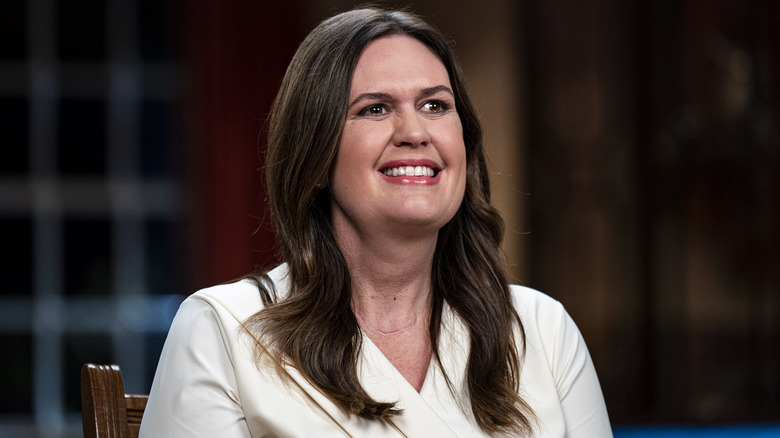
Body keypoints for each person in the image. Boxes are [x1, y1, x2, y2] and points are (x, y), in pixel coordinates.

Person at [139, 7, 612, 438]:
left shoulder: (543, 331)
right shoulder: (224, 329)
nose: (414, 133)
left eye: (435, 105)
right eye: (375, 109)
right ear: (316, 156)